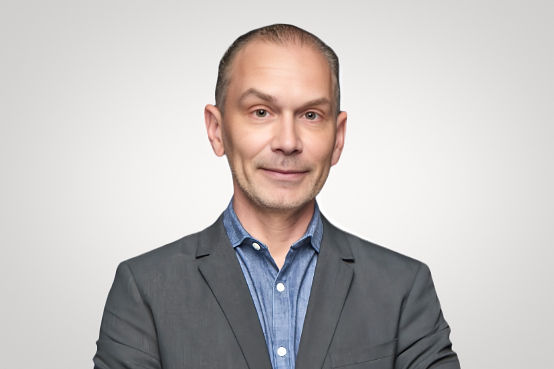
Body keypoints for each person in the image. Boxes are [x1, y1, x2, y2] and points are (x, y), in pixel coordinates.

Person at [93, 24, 460, 369]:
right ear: (217, 129)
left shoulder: (402, 288)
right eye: (261, 112)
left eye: (312, 115)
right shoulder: (145, 290)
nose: (288, 142)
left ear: (339, 137)